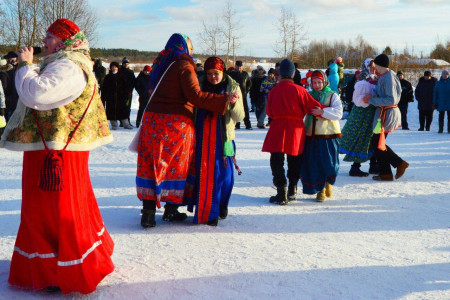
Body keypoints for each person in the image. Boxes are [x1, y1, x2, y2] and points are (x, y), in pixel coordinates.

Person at [0, 18, 114, 294]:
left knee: (53, 208)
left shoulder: (68, 66)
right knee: (61, 205)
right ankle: (56, 263)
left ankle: (58, 268)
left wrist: (26, 66)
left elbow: (36, 93)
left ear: (63, 42)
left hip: (57, 151)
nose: (44, 43)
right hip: (56, 148)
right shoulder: (65, 63)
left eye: (49, 38)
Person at [135, 33, 238, 228]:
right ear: (184, 47)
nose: (192, 50)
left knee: (151, 165)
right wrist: (223, 100)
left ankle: (147, 214)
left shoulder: (161, 64)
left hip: (151, 123)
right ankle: (170, 210)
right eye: (190, 46)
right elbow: (195, 96)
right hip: (174, 125)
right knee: (176, 166)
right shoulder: (184, 66)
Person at [188, 57, 244, 226]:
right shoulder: (198, 85)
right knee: (204, 175)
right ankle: (208, 212)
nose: (213, 77)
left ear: (223, 73)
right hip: (201, 137)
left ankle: (220, 205)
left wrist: (234, 104)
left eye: (216, 74)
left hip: (223, 137)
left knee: (225, 177)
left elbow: (240, 116)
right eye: (210, 73)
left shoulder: (233, 87)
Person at [261, 59, 324, 205]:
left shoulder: (274, 90)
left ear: (280, 73)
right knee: (294, 159)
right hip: (295, 128)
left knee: (276, 160)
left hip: (277, 127)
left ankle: (281, 192)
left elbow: (269, 111)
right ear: (293, 73)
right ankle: (292, 189)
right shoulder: (300, 90)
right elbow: (315, 108)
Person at [362, 54, 409, 181]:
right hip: (383, 114)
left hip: (387, 114)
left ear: (380, 65)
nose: (374, 67)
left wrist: (371, 100)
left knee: (378, 143)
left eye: (375, 65)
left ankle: (399, 163)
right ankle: (386, 173)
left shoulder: (389, 77)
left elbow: (391, 99)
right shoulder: (384, 76)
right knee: (377, 143)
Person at [300, 70, 343, 202]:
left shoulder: (332, 95)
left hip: (328, 134)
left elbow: (338, 113)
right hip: (311, 134)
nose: (317, 85)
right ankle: (321, 190)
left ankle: (328, 182)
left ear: (324, 82)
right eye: (314, 82)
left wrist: (322, 111)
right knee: (314, 163)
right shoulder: (308, 95)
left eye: (319, 82)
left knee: (328, 162)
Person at [339, 59, 378, 177]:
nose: (373, 69)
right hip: (361, 114)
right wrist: (368, 99)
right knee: (360, 137)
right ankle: (355, 167)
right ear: (366, 67)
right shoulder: (362, 83)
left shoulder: (375, 79)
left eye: (374, 66)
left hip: (371, 114)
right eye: (371, 66)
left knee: (372, 138)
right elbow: (356, 100)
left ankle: (373, 164)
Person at [102, 61, 133, 129]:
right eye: (112, 67)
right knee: (111, 112)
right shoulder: (107, 77)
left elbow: (126, 87)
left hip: (120, 97)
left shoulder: (122, 76)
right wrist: (104, 97)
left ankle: (126, 124)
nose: (114, 68)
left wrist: (126, 94)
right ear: (110, 68)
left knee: (123, 111)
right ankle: (114, 125)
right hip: (111, 98)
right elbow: (104, 88)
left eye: (115, 67)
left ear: (118, 68)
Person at [229, 60, 252, 130]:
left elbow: (249, 83)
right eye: (238, 66)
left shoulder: (245, 74)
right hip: (235, 95)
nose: (239, 67)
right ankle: (237, 124)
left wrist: (247, 90)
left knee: (245, 110)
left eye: (240, 66)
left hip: (243, 95)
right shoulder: (232, 74)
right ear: (235, 66)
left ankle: (248, 124)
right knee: (236, 109)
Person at [0, 53, 19, 121]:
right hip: (13, 96)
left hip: (7, 98)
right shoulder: (11, 70)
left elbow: (3, 86)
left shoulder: (3, 72)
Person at [120, 57, 136, 126]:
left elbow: (133, 82)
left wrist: (130, 90)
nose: (126, 65)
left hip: (129, 92)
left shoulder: (131, 72)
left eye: (127, 63)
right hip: (121, 92)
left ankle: (127, 121)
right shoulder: (119, 71)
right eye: (124, 63)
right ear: (122, 64)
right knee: (121, 107)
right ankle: (121, 122)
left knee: (127, 108)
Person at [433, 69, 450, 133]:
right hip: (441, 102)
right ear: (442, 75)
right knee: (441, 116)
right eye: (444, 74)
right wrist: (434, 102)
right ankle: (440, 129)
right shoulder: (438, 83)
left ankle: (449, 129)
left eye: (446, 74)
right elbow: (435, 93)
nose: (445, 76)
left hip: (449, 102)